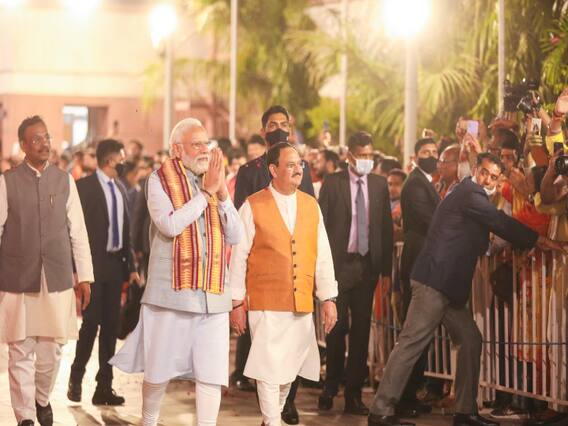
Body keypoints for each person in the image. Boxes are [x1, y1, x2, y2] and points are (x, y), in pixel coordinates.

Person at [367, 153, 567, 426]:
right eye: (484, 172)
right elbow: (500, 221)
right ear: (475, 169)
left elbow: (481, 237)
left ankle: (465, 412)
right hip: (435, 282)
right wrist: (539, 240)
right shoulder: (470, 192)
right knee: (410, 344)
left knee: (470, 340)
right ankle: (380, 410)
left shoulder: (467, 194)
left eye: (494, 177)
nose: (488, 179)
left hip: (446, 286)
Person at [110, 118, 242, 426]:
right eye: (196, 144)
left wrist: (222, 195)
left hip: (213, 296)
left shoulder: (214, 181)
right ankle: (149, 420)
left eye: (206, 143)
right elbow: (169, 224)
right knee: (158, 370)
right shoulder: (158, 180)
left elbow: (235, 235)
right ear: (177, 149)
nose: (204, 150)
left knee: (211, 374)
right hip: (171, 296)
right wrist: (205, 195)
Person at [229, 142, 338, 426]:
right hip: (265, 300)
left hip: (300, 299)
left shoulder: (311, 205)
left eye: (299, 164)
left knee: (290, 368)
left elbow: (323, 255)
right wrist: (237, 302)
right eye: (290, 165)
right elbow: (238, 257)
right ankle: (272, 421)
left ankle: (271, 418)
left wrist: (328, 298)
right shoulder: (253, 205)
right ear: (273, 170)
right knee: (268, 368)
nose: (298, 169)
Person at [0, 116, 94, 426]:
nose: (44, 144)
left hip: (56, 278)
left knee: (51, 351)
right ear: (23, 145)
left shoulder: (65, 180)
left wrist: (84, 276)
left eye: (47, 137)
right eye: (36, 139)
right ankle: (26, 416)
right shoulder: (7, 182)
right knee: (20, 350)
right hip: (17, 278)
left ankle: (41, 398)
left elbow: (78, 232)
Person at [232, 105, 315, 424]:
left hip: (296, 281)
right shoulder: (250, 173)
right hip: (263, 278)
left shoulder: (301, 173)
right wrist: (237, 297)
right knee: (267, 357)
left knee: (293, 353)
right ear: (263, 129)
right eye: (272, 124)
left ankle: (282, 407)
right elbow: (240, 234)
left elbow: (309, 222)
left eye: (283, 123)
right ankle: (271, 415)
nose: (278, 128)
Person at [318, 131, 393, 415]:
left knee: (362, 332)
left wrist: (386, 272)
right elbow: (321, 226)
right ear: (349, 156)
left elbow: (385, 229)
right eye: (361, 155)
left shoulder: (379, 185)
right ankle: (330, 386)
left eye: (369, 155)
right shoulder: (333, 183)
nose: (366, 160)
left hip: (366, 268)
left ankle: (353, 395)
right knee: (336, 329)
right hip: (339, 267)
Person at [68, 139, 140, 406]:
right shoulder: (84, 188)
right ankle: (76, 377)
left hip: (115, 267)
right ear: (110, 160)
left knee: (111, 327)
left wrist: (131, 269)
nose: (124, 163)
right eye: (121, 158)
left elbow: (126, 232)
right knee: (90, 324)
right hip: (92, 268)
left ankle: (104, 386)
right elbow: (73, 231)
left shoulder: (120, 188)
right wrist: (77, 270)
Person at [398, 138, 440, 414]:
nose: (431, 156)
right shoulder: (415, 184)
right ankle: (403, 397)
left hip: (425, 258)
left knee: (421, 332)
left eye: (435, 152)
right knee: (414, 331)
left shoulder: (424, 181)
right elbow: (430, 219)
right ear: (415, 156)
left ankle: (411, 394)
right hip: (418, 259)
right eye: (426, 152)